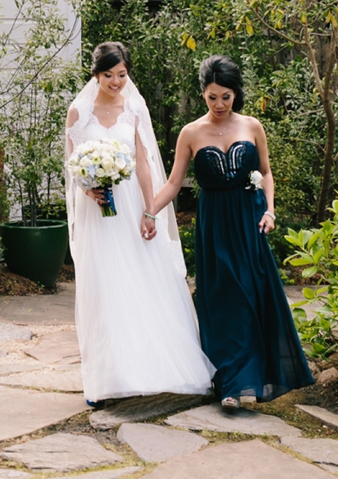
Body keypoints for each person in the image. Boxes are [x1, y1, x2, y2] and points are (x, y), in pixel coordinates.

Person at [150, 54, 314, 407]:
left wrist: (270, 210)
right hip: (214, 226)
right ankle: (231, 385)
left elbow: (266, 172)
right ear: (202, 95)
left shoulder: (252, 126)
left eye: (226, 96)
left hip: (249, 222)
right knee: (223, 300)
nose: (220, 104)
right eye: (212, 97)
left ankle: (249, 381)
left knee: (251, 298)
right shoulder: (190, 133)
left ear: (236, 93)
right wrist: (149, 212)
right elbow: (175, 182)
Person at [65, 41, 214, 405]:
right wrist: (89, 190)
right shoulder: (78, 111)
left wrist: (152, 210)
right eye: (108, 75)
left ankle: (157, 366)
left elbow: (145, 162)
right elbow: (72, 164)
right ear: (95, 74)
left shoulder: (134, 106)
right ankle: (108, 376)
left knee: (145, 276)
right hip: (97, 211)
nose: (116, 82)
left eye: (122, 75)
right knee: (104, 283)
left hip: (131, 204)